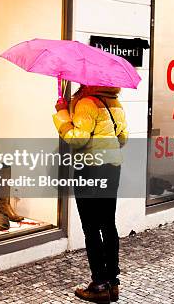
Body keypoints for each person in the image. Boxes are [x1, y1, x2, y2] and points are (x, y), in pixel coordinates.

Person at [53, 85, 128, 303]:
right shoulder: (115, 104)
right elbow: (122, 139)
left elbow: (78, 139)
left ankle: (99, 285)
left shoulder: (87, 103)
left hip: (90, 169)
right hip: (112, 168)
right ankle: (113, 283)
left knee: (91, 227)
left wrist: (62, 114)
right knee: (108, 224)